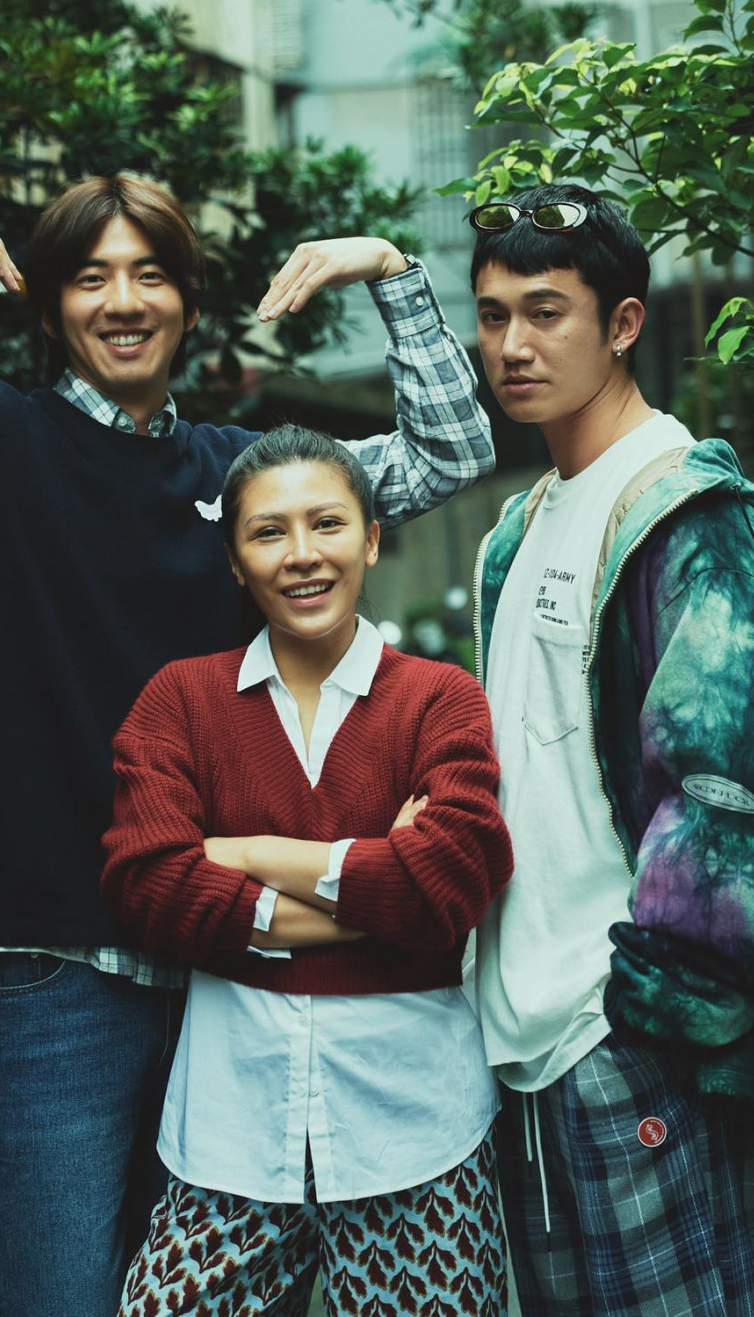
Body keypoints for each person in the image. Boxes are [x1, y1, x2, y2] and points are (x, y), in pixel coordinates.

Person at [0, 174, 497, 1317]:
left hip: (230, 970)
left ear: (189, 302)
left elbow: (450, 451)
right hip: (53, 971)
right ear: (51, 308)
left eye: (150, 273)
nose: (123, 300)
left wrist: (392, 274)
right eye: (90, 277)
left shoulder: (245, 482)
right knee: (61, 1297)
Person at [466, 182, 754, 1317]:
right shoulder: (520, 527)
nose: (513, 345)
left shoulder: (686, 511)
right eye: (494, 314)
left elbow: (749, 800)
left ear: (623, 323)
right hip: (522, 1047)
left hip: (628, 1037)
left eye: (546, 312)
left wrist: (649, 1012)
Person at [101, 424, 514, 1317]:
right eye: (268, 531)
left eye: (326, 523)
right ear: (234, 559)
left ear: (371, 537)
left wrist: (246, 853)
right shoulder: (180, 701)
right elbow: (148, 885)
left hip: (417, 1131)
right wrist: (384, 891)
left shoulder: (440, 698)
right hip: (229, 1134)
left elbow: (456, 877)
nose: (302, 554)